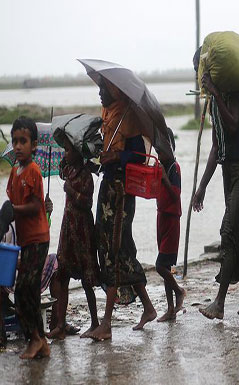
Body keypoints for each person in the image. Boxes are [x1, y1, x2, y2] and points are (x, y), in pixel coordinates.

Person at [192, 53, 239, 320]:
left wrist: (216, 94)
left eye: (203, 73)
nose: (201, 78)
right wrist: (201, 187)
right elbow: (215, 147)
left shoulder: (232, 96)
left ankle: (219, 303)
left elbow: (232, 126)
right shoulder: (213, 103)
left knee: (228, 231)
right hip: (225, 175)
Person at [87, 79, 156, 341]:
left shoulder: (130, 119)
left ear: (117, 92)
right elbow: (105, 152)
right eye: (100, 88)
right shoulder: (107, 117)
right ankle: (148, 308)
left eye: (105, 89)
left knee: (114, 249)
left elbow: (138, 156)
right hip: (108, 188)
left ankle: (106, 323)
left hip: (121, 193)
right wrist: (99, 159)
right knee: (117, 247)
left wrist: (117, 157)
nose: (100, 93)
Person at [46, 136, 100, 340]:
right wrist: (61, 149)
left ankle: (95, 321)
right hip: (68, 228)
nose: (65, 154)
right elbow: (60, 169)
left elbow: (87, 203)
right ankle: (60, 323)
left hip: (82, 230)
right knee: (62, 274)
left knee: (87, 279)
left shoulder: (86, 174)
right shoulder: (67, 169)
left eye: (69, 150)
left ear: (78, 152)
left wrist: (72, 191)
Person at [6, 117, 50, 358]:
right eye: (15, 141)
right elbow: (12, 203)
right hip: (25, 240)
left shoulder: (33, 171)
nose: (18, 146)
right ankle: (40, 340)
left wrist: (12, 210)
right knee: (29, 291)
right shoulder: (14, 171)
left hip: (38, 238)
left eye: (23, 141)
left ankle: (34, 338)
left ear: (34, 145)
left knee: (24, 290)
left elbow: (34, 206)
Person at [155, 131, 186, 322]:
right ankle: (170, 309)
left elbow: (176, 194)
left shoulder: (174, 168)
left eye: (161, 150)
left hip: (172, 218)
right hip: (161, 216)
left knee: (161, 266)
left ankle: (179, 291)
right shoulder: (160, 166)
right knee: (168, 267)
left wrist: (164, 179)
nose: (159, 154)